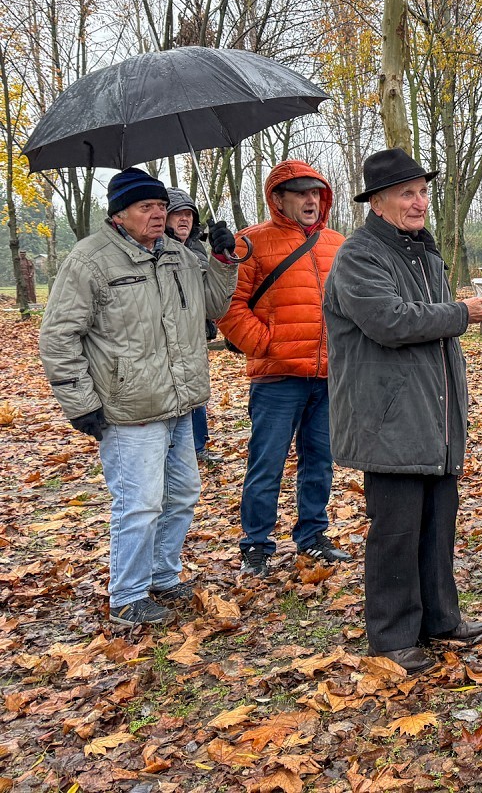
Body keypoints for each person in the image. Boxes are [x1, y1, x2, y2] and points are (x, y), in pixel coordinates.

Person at [39, 168, 237, 626]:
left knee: (182, 494)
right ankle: (127, 596)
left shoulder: (177, 254)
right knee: (140, 502)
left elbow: (213, 307)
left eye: (161, 206)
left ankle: (162, 576)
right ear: (119, 214)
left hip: (180, 401)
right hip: (129, 408)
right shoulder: (90, 260)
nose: (158, 214)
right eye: (146, 207)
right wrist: (80, 403)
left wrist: (223, 260)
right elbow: (58, 336)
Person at [323, 149, 482, 675]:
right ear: (377, 203)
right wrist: (459, 313)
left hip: (435, 415)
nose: (419, 202)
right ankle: (393, 636)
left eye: (422, 192)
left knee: (438, 524)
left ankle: (440, 618)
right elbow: (390, 321)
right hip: (389, 418)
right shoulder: (359, 256)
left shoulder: (424, 253)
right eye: (406, 194)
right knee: (396, 531)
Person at [218, 161, 350, 578]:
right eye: (301, 194)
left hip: (328, 376)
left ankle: (312, 535)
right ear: (277, 199)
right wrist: (265, 344)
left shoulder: (338, 244)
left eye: (316, 193)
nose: (311, 201)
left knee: (320, 461)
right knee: (267, 462)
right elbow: (228, 306)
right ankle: (255, 545)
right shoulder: (249, 243)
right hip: (276, 378)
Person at [165, 187, 219, 466]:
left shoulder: (196, 249)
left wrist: (222, 259)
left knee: (196, 393)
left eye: (189, 214)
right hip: (167, 338)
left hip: (194, 336)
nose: (184, 219)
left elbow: (211, 295)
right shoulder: (157, 250)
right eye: (177, 214)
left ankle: (198, 446)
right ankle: (175, 449)